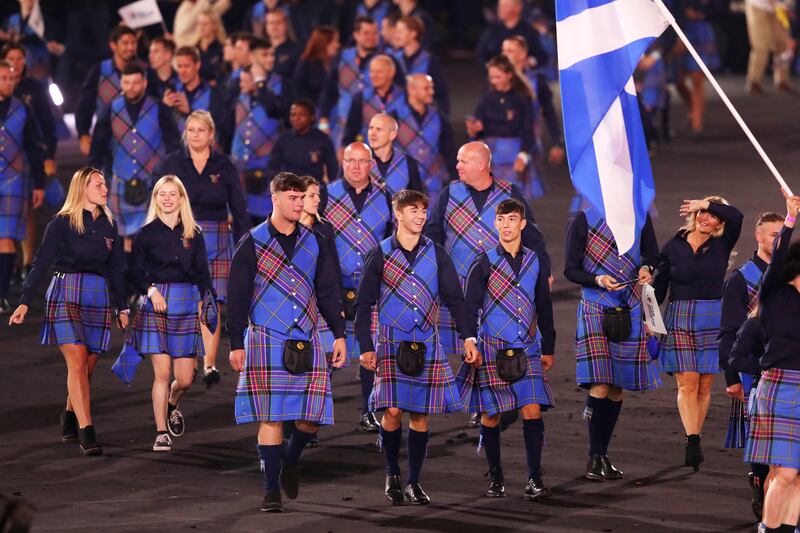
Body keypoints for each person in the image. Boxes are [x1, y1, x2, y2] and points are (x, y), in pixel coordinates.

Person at [227, 172, 346, 513]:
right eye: (292, 198)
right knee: (272, 417)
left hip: (306, 337)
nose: (298, 203)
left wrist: (338, 334)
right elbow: (237, 297)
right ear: (275, 199)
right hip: (265, 337)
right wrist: (236, 342)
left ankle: (290, 461)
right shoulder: (251, 242)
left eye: (301, 197)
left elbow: (327, 292)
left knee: (310, 420)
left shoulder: (316, 241)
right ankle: (270, 492)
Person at [355, 189, 480, 505]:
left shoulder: (437, 254)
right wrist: (366, 346)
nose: (421, 216)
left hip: (426, 343)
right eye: (413, 210)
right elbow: (365, 303)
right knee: (393, 411)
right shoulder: (380, 254)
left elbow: (454, 299)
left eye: (423, 211)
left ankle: (413, 482)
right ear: (397, 214)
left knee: (421, 417)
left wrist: (469, 337)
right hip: (392, 344)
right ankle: (392, 474)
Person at [10, 167, 128, 456]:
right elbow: (41, 263)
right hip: (66, 292)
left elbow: (116, 269)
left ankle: (69, 415)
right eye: (98, 184)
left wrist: (122, 305)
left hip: (97, 296)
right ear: (82, 189)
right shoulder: (61, 223)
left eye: (104, 184)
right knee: (76, 361)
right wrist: (25, 300)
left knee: (87, 368)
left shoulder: (109, 225)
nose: (104, 189)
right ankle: (88, 432)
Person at [457, 198, 555, 500]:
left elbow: (544, 305)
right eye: (501, 220)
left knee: (533, 410)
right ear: (495, 223)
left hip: (527, 346)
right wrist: (470, 340)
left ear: (522, 223)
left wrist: (548, 346)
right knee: (491, 414)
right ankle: (496, 476)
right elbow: (468, 307)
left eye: (512, 219)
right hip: (492, 348)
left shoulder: (536, 260)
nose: (506, 225)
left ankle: (534, 477)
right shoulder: (483, 261)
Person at [426, 142, 549, 362]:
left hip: (501, 288)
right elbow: (434, 234)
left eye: (463, 161)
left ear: (482, 164)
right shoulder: (448, 193)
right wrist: (434, 270)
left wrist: (545, 270)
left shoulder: (510, 193)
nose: (457, 166)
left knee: (499, 348)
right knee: (458, 351)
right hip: (459, 288)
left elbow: (533, 236)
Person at [154, 110, 250, 387]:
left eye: (201, 130)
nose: (195, 135)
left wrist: (245, 246)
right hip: (181, 236)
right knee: (185, 302)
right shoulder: (171, 163)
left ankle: (209, 363)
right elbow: (157, 201)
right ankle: (187, 359)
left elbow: (239, 209)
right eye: (191, 130)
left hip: (218, 238)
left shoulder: (224, 165)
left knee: (211, 302)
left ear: (211, 134)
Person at [564, 205, 660, 480]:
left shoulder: (640, 217)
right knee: (601, 382)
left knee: (618, 386)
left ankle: (603, 453)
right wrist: (597, 279)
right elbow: (571, 269)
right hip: (595, 307)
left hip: (629, 307)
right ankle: (594, 456)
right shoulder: (582, 219)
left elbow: (653, 254)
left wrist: (646, 266)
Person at [654, 196, 744, 470]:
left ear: (720, 222)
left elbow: (737, 215)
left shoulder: (723, 243)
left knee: (705, 385)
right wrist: (650, 318)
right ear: (693, 216)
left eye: (712, 214)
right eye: (702, 213)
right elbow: (661, 284)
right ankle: (692, 439)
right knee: (688, 382)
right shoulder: (674, 244)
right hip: (679, 315)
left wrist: (704, 203)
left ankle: (695, 433)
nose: (706, 217)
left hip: (712, 317)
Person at [128, 176, 213, 452]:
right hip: (158, 303)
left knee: (186, 378)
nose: (167, 198)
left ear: (181, 198)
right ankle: (161, 431)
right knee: (162, 373)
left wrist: (207, 299)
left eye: (172, 194)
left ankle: (172, 403)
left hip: (187, 302)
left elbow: (202, 272)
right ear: (155, 199)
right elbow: (134, 271)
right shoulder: (145, 234)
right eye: (161, 194)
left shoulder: (194, 233)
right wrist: (151, 291)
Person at [324, 142, 393, 431]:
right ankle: (315, 415)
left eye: (361, 161)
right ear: (342, 161)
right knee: (327, 351)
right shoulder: (326, 194)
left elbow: (392, 240)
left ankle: (368, 411)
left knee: (371, 348)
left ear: (371, 164)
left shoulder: (386, 196)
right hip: (332, 284)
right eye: (350, 160)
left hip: (371, 285)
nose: (355, 166)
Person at [719, 211, 783, 519]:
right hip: (752, 370)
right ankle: (759, 482)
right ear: (759, 236)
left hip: (787, 365)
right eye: (774, 235)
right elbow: (729, 332)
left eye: (783, 235)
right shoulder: (741, 278)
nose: (779, 240)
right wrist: (732, 377)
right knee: (763, 437)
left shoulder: (790, 274)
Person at [744, 194, 800, 533]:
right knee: (786, 471)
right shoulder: (774, 295)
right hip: (781, 385)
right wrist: (791, 219)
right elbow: (778, 258)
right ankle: (770, 527)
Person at [89, 63, 181, 246]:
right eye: (126, 82)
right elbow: (98, 146)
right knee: (124, 239)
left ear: (145, 83)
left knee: (153, 236)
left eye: (136, 82)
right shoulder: (110, 109)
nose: (131, 87)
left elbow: (173, 144)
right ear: (121, 83)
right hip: (121, 181)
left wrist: (173, 177)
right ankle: (129, 275)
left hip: (153, 183)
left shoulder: (159, 108)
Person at [2, 43, 57, 283]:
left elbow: (42, 133)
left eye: (20, 58)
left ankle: (20, 268)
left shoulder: (28, 97)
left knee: (16, 224)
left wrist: (46, 164)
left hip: (18, 167)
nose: (9, 80)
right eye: (11, 58)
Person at [0, 60, 45, 313]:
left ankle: (1, 295)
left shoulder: (23, 109)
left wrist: (39, 183)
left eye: (11, 78)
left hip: (13, 180)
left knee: (6, 237)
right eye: (4, 78)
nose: (9, 82)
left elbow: (35, 147)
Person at [230, 39, 288, 223]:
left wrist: (261, 83)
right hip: (240, 169)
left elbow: (275, 110)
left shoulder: (281, 84)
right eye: (265, 55)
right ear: (253, 58)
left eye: (272, 54)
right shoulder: (238, 86)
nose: (271, 59)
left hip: (268, 169)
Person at [467, 55, 539, 195]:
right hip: (491, 155)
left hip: (514, 154)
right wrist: (474, 130)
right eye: (492, 77)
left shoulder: (522, 98)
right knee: (490, 200)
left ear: (509, 75)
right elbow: (478, 126)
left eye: (498, 77)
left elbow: (528, 129)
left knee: (512, 201)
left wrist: (523, 156)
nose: (494, 81)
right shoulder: (487, 97)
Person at [76, 25, 138, 157]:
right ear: (113, 45)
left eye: (133, 43)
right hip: (105, 142)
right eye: (125, 43)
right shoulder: (100, 70)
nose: (131, 47)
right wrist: (83, 134)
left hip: (138, 143)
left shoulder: (144, 70)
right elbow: (85, 105)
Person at [319, 16, 380, 150]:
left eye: (375, 33)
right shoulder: (342, 57)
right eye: (366, 33)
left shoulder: (386, 60)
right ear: (356, 35)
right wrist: (323, 119)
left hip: (376, 132)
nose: (371, 37)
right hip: (343, 127)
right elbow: (329, 90)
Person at [394, 74, 455, 203]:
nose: (432, 92)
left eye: (431, 88)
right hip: (403, 184)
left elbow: (448, 149)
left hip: (433, 185)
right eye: (426, 88)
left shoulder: (439, 116)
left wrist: (454, 177)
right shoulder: (394, 116)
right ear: (412, 89)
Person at [672, 0, 723, 135]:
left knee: (697, 77)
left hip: (701, 30)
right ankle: (692, 109)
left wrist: (702, 14)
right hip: (679, 29)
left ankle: (697, 121)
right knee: (677, 79)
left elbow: (720, 7)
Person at [266, 99, 338, 189]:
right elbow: (272, 167)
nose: (297, 118)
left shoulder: (323, 139)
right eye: (293, 115)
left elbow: (333, 170)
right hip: (289, 190)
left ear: (312, 117)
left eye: (302, 115)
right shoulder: (283, 139)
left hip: (314, 191)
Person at [390, 15, 449, 115]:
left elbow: (441, 93)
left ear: (413, 34)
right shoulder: (394, 60)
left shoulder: (429, 60)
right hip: (400, 116)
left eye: (400, 32)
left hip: (423, 116)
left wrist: (443, 117)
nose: (396, 36)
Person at [343, 54, 406, 145]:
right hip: (369, 153)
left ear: (391, 73)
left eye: (379, 72)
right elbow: (352, 128)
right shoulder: (361, 97)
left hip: (397, 153)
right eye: (372, 72)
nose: (374, 76)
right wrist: (345, 146)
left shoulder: (404, 97)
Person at [165, 46, 227, 137]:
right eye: (179, 66)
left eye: (186, 66)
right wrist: (164, 108)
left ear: (197, 65)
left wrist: (189, 111)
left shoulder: (213, 93)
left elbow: (218, 127)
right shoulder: (172, 90)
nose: (182, 71)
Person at [476, 0, 548, 67]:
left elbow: (541, 57)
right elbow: (481, 54)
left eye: (505, 6)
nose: (500, 9)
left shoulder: (528, 31)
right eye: (499, 6)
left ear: (518, 8)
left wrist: (529, 62)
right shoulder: (492, 30)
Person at [366, 113, 423, 196]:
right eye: (371, 128)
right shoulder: (357, 160)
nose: (372, 133)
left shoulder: (408, 163)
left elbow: (417, 201)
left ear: (392, 135)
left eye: (378, 129)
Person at [744, 0, 793, 95]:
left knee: (782, 44)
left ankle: (782, 80)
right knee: (761, 45)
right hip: (757, 6)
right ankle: (754, 82)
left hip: (778, 8)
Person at [292, 26, 339, 106]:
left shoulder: (338, 63)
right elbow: (298, 90)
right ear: (325, 43)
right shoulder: (306, 64)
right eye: (335, 41)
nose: (338, 45)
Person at [265, 8, 303, 80]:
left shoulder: (297, 50)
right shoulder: (259, 50)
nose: (274, 27)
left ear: (286, 24)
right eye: (270, 23)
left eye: (278, 22)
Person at [195, 8, 227, 84]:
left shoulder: (222, 49)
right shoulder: (194, 49)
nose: (201, 27)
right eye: (199, 23)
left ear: (215, 26)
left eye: (205, 24)